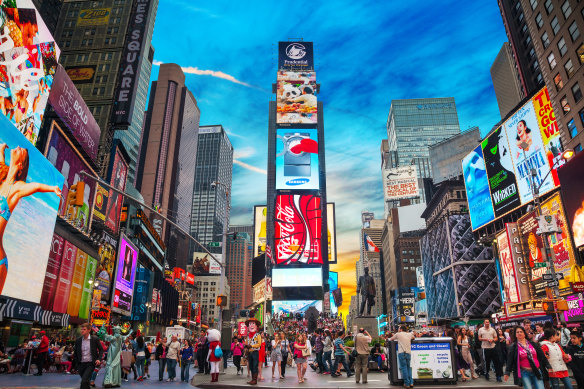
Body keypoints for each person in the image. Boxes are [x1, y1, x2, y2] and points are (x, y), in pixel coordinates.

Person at [0, 144, 62, 295]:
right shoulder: (2, 182)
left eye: (22, 151)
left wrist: (52, 188)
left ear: (20, 164)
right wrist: (1, 150)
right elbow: (1, 165)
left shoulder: (17, 188)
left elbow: (35, 186)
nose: (19, 147)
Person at [73, 323, 103, 389]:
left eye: (84, 329)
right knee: (86, 382)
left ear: (89, 330)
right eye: (81, 329)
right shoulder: (78, 340)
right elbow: (75, 353)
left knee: (84, 381)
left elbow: (101, 350)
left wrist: (99, 359)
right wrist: (77, 364)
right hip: (81, 364)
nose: (82, 331)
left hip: (90, 364)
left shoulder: (94, 339)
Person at [245, 318, 262, 385]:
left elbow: (259, 344)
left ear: (256, 326)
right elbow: (246, 342)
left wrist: (252, 346)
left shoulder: (258, 335)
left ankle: (255, 380)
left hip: (255, 352)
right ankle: (252, 379)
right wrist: (246, 346)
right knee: (251, 366)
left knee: (255, 366)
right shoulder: (248, 336)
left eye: (253, 323)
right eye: (250, 324)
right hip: (250, 352)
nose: (251, 325)